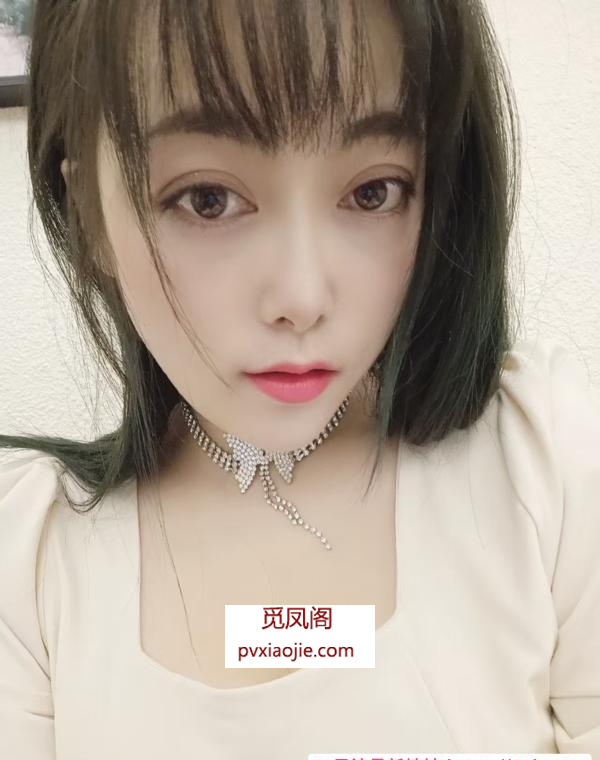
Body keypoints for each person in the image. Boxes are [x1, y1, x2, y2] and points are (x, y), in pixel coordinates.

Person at [0, 0, 598, 757]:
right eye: (208, 199)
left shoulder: (546, 466)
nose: (303, 297)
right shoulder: (28, 565)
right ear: (88, 212)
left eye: (373, 192)